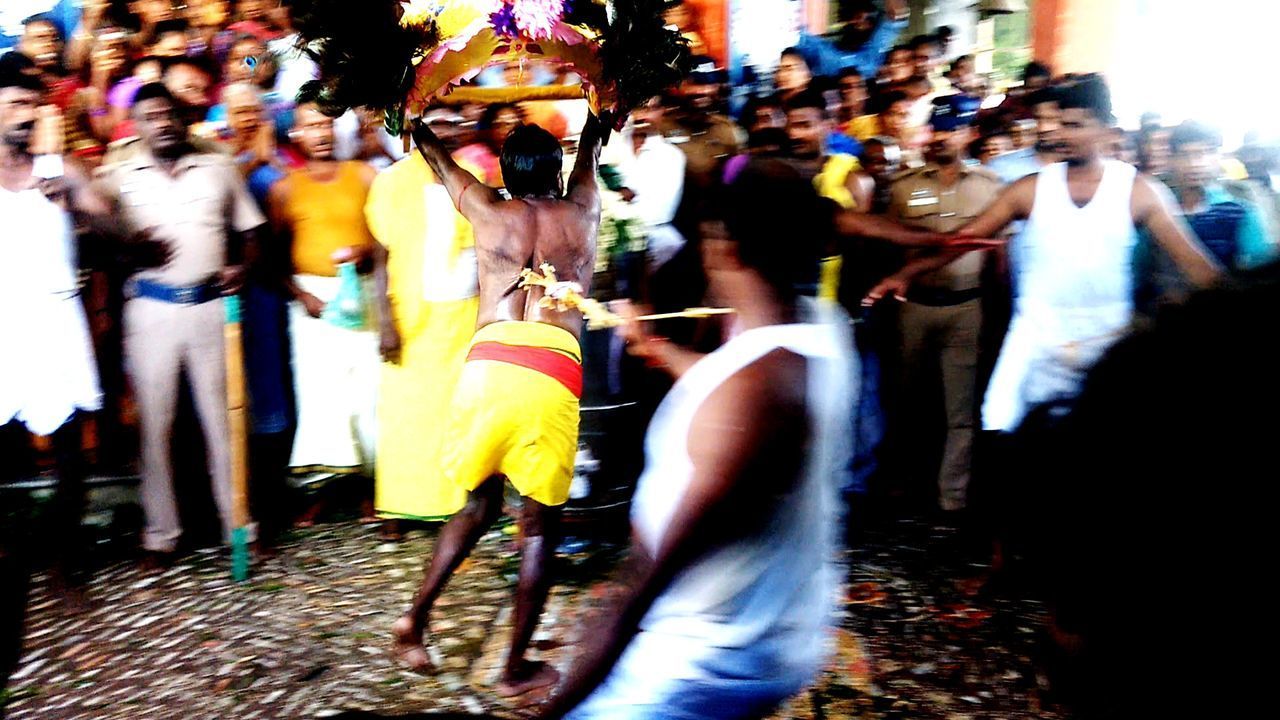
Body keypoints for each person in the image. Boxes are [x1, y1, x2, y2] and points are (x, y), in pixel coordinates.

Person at [538, 159, 856, 720]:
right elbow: (731, 386)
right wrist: (659, 348)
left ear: (723, 245)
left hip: (701, 664)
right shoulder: (818, 326)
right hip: (779, 634)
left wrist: (562, 704)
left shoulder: (759, 392)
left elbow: (646, 581)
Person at [866, 74, 1222, 435]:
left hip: (1106, 342)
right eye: (1059, 124)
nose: (1061, 134)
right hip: (1035, 339)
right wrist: (907, 273)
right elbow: (966, 239)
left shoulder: (1140, 191)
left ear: (1105, 129)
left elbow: (1195, 265)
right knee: (1007, 436)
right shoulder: (1031, 189)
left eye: (1074, 125)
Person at [391, 112, 608, 697]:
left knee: (476, 507)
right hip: (552, 370)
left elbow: (439, 163)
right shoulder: (583, 208)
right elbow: (591, 156)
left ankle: (412, 623)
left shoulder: (488, 209)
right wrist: (597, 115)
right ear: (557, 170)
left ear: (506, 175)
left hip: (488, 366)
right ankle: (514, 669)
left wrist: (412, 119)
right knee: (538, 528)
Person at [91, 82, 266, 564]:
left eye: (169, 114)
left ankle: (240, 530)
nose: (162, 123)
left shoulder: (218, 167)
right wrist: (128, 250)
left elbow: (252, 232)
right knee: (155, 425)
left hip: (212, 307)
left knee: (226, 422)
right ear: (138, 125)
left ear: (182, 119)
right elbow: (93, 237)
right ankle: (161, 534)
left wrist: (243, 269)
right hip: (150, 310)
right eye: (151, 116)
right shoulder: (118, 177)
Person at [0, 54, 102, 600]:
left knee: (69, 451)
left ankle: (65, 563)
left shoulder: (60, 171)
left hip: (57, 319)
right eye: (14, 104)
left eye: (32, 104)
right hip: (1, 327)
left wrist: (76, 206)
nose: (26, 113)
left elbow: (111, 219)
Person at [884, 96, 1002, 514]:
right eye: (936, 128)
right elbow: (888, 243)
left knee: (960, 410)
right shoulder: (903, 185)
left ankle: (951, 499)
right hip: (913, 307)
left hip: (967, 309)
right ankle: (904, 486)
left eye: (952, 128)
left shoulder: (991, 186)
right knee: (905, 401)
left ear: (970, 133)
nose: (942, 136)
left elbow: (997, 255)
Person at [267, 101, 380, 489]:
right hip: (313, 303)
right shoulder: (284, 188)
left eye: (325, 124)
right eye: (309, 127)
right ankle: (322, 487)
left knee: (368, 389)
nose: (319, 133)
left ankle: (371, 485)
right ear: (296, 134)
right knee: (318, 393)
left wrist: (365, 254)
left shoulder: (364, 176)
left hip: (362, 292)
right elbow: (273, 258)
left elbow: (386, 239)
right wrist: (301, 295)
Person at [1137, 120, 1277, 314]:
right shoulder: (1156, 212)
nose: (1195, 163)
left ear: (1218, 157)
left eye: (1204, 153)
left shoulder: (1239, 213)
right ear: (1172, 160)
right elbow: (1139, 271)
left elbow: (1257, 276)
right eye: (1184, 155)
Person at [794, 0, 909, 80]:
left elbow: (897, 15)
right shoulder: (820, 49)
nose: (860, 23)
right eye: (857, 18)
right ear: (847, 20)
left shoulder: (872, 52)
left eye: (868, 20)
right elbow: (797, 33)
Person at [453, 102, 523, 187]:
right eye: (499, 125)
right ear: (489, 128)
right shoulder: (468, 158)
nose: (506, 131)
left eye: (513, 125)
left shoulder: (528, 157)